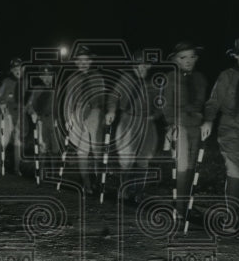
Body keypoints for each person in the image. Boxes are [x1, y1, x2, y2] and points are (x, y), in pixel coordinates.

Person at [202, 35, 239, 205]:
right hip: (229, 126)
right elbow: (214, 102)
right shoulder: (226, 76)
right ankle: (232, 218)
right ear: (236, 56)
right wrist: (208, 120)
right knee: (234, 170)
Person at [105, 49, 160, 203]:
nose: (142, 69)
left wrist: (155, 115)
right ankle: (123, 189)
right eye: (138, 66)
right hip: (128, 121)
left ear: (149, 67)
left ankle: (139, 192)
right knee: (126, 157)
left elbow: (160, 104)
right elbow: (113, 97)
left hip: (146, 123)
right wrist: (111, 111)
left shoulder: (153, 83)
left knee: (144, 159)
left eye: (145, 66)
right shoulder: (125, 79)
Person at [161, 41, 207, 215]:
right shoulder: (170, 78)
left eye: (191, 57)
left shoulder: (200, 78)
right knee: (182, 163)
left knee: (192, 165)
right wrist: (171, 124)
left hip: (196, 124)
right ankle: (179, 206)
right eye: (183, 57)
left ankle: (187, 202)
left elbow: (202, 103)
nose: (188, 60)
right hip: (179, 124)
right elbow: (166, 105)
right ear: (176, 60)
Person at [60, 45, 106, 194]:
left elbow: (103, 97)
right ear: (75, 63)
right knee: (82, 151)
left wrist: (104, 116)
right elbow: (68, 100)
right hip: (78, 113)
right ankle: (86, 183)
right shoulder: (73, 79)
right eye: (79, 61)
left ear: (91, 61)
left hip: (95, 113)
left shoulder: (97, 77)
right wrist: (68, 118)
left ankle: (99, 182)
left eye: (86, 60)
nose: (82, 63)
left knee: (97, 150)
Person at [0, 58, 28, 176]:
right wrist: (1, 102)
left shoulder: (26, 82)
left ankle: (16, 168)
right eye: (14, 69)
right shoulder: (6, 81)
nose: (17, 71)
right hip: (8, 112)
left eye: (19, 68)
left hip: (20, 113)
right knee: (4, 140)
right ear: (11, 70)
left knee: (18, 141)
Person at [28, 65, 59, 181]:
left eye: (49, 76)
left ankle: (54, 176)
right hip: (41, 121)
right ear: (40, 77)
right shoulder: (36, 89)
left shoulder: (58, 89)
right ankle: (40, 175)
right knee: (42, 148)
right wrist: (33, 113)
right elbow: (29, 105)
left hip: (54, 121)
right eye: (44, 76)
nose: (47, 79)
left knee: (55, 150)